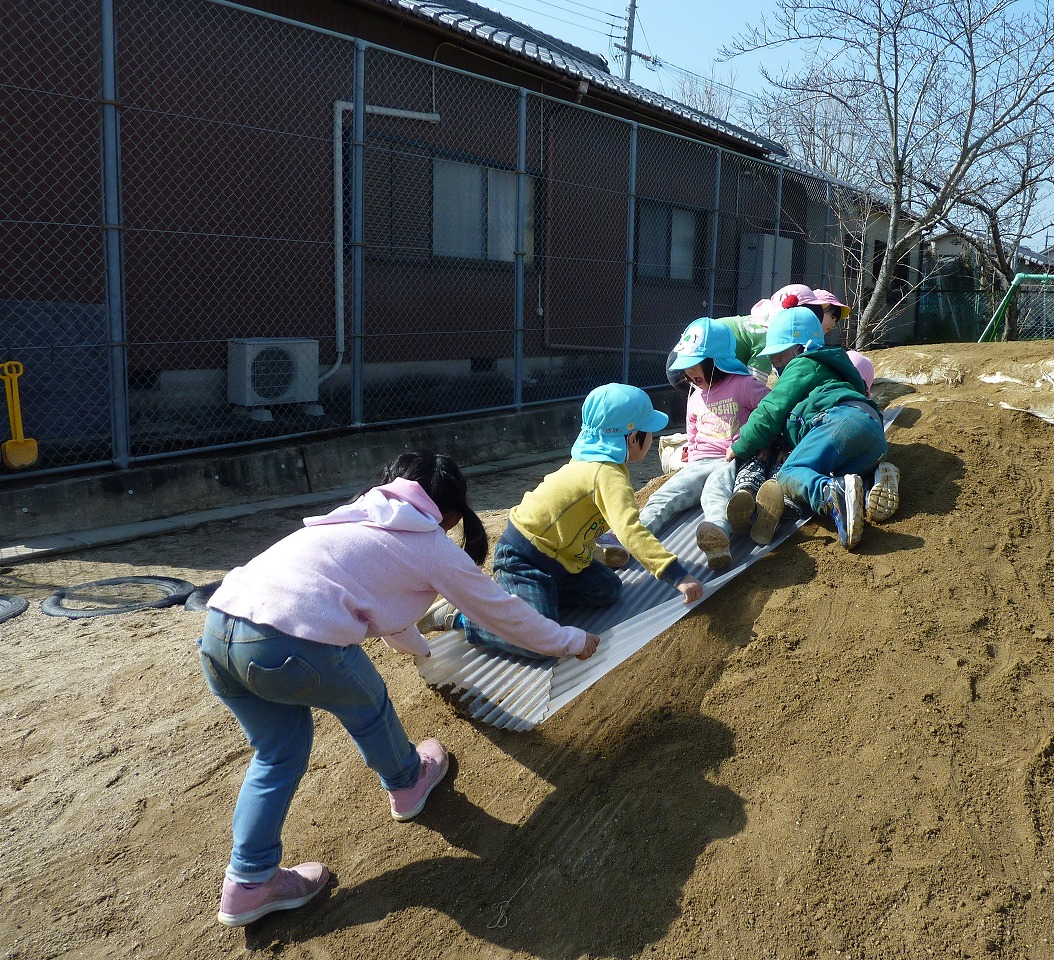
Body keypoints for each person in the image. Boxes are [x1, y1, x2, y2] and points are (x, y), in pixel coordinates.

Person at [199, 451, 600, 927]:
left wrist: (420, 648)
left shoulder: (353, 515)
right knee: (368, 706)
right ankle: (409, 782)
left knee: (277, 754)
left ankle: (247, 883)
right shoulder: (429, 544)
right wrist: (570, 640)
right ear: (450, 513)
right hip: (292, 642)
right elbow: (502, 612)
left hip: (219, 630)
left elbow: (376, 599)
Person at [429, 383, 705, 658]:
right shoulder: (607, 476)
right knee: (540, 642)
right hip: (525, 558)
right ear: (632, 437)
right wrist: (677, 575)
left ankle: (529, 601)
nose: (652, 439)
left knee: (607, 589)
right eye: (650, 433)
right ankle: (462, 618)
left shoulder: (597, 462)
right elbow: (630, 531)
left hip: (561, 560)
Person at [724, 306, 890, 551]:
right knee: (836, 469)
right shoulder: (834, 370)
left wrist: (740, 445)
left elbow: (770, 410)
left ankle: (831, 494)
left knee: (790, 472)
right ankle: (873, 481)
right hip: (873, 430)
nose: (775, 365)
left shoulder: (805, 364)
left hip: (840, 421)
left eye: (778, 357)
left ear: (799, 348)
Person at [616, 318, 770, 570]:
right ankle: (626, 540)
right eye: (684, 367)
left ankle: (717, 537)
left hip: (731, 458)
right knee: (664, 495)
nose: (688, 373)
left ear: (717, 360)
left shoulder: (743, 385)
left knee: (715, 492)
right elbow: (693, 429)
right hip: (699, 463)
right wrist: (692, 451)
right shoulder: (695, 394)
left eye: (693, 365)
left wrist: (763, 439)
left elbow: (771, 410)